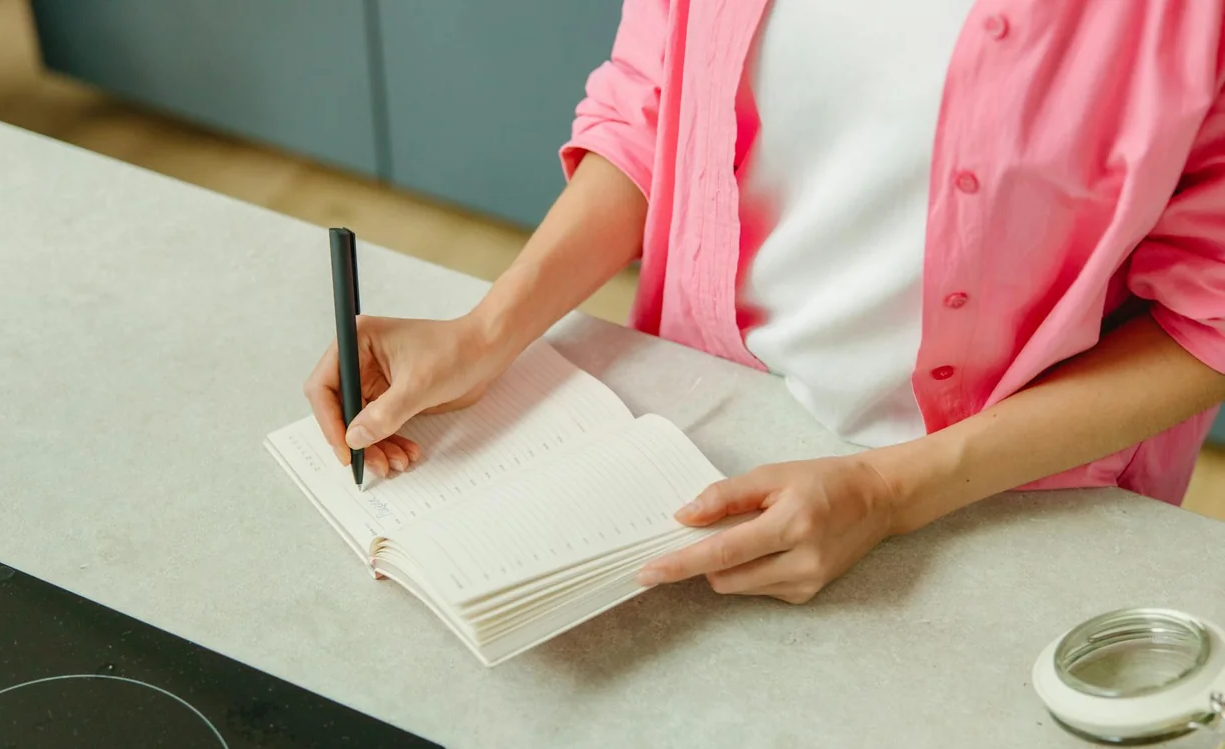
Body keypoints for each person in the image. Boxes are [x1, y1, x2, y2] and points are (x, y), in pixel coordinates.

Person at [305, 2, 1225, 604]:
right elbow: (655, 106)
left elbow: (1207, 317)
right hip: (708, 427)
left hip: (1002, 502)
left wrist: (890, 492)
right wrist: (486, 330)